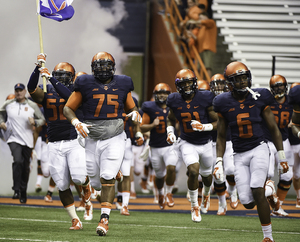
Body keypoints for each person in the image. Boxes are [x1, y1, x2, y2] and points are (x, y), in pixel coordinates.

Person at [63, 51, 143, 236]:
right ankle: (114, 173)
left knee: (107, 177)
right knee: (95, 182)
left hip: (115, 136)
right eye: (99, 67)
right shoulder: (84, 83)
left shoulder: (123, 83)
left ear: (113, 67)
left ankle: (104, 219)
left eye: (106, 66)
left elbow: (132, 107)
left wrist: (136, 115)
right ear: (93, 69)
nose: (103, 70)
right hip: (92, 137)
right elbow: (68, 108)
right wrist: (76, 122)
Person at [213, 61, 289, 242]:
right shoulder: (222, 102)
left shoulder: (259, 96)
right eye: (237, 79)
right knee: (247, 202)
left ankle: (268, 237)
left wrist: (282, 156)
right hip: (239, 154)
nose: (243, 82)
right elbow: (221, 135)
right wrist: (218, 161)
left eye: (244, 77)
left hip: (259, 148)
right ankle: (269, 190)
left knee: (256, 188)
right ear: (230, 83)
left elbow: (274, 129)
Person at [27, 54, 92, 230]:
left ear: (72, 78)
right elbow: (31, 88)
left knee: (78, 177)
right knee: (62, 185)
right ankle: (75, 219)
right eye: (58, 75)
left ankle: (86, 186)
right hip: (54, 142)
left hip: (73, 141)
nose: (60, 79)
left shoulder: (78, 92)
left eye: (64, 76)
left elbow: (69, 96)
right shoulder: (46, 92)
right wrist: (37, 68)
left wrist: (52, 80)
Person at [166, 69, 217, 222]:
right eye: (183, 84)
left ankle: (206, 195)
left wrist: (204, 127)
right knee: (193, 171)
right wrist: (170, 132)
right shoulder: (174, 99)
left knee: (207, 176)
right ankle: (195, 206)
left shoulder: (206, 97)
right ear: (178, 86)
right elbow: (170, 119)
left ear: (194, 82)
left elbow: (218, 122)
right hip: (187, 141)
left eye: (189, 83)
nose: (187, 86)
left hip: (206, 143)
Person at [0, 83, 45, 203]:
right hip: (13, 138)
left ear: (25, 92)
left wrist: (34, 122)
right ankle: (16, 189)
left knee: (26, 166)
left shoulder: (32, 105)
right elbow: (0, 113)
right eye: (17, 90)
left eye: (21, 90)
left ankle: (23, 191)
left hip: (27, 140)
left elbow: (42, 119)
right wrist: (1, 122)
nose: (19, 92)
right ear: (15, 92)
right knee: (18, 160)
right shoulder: (9, 104)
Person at [140, 83, 178, 209]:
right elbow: (142, 126)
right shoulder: (149, 107)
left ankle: (169, 193)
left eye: (165, 93)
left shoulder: (174, 106)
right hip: (156, 146)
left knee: (171, 168)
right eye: (159, 93)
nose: (162, 95)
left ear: (169, 94)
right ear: (155, 95)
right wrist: (152, 125)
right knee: (160, 175)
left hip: (170, 146)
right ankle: (161, 194)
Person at [262, 75, 294, 217]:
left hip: (284, 141)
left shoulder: (291, 102)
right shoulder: (267, 101)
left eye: (280, 85)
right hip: (268, 141)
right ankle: (269, 204)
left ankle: (278, 206)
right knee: (267, 175)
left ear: (285, 86)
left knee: (287, 175)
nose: (278, 88)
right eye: (275, 86)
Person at [209, 74, 238, 215]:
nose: (218, 86)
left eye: (221, 83)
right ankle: (222, 204)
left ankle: (232, 191)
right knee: (218, 175)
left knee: (231, 170)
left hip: (229, 140)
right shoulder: (207, 99)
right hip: (213, 142)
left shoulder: (230, 98)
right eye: (216, 84)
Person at [287, 82, 300, 208]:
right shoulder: (286, 106)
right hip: (290, 143)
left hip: (299, 143)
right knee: (294, 175)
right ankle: (299, 197)